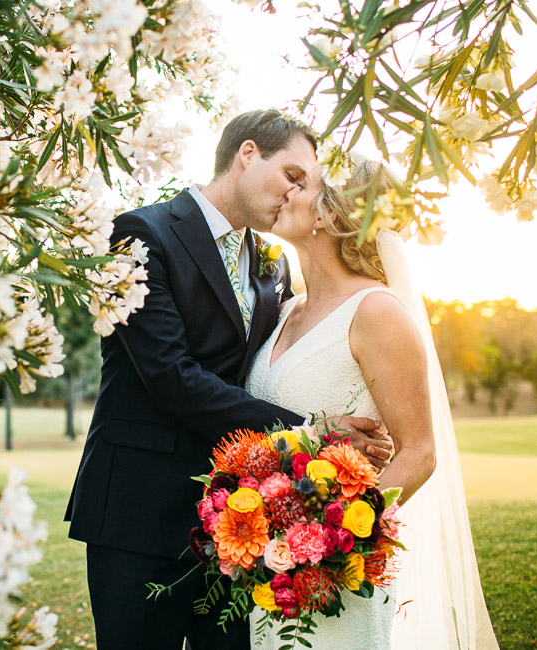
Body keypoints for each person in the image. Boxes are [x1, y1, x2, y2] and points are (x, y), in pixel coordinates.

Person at [64, 110, 394, 650]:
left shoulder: (270, 264)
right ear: (246, 154)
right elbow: (172, 378)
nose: (297, 195)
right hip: (138, 513)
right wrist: (312, 427)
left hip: (238, 525)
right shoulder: (139, 233)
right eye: (292, 175)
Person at [246, 155, 499, 649]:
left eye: (299, 183)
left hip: (332, 577)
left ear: (330, 214)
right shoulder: (285, 311)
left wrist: (330, 541)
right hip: (268, 571)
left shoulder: (377, 312)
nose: (283, 189)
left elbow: (419, 452)